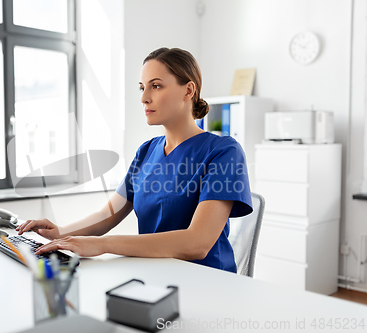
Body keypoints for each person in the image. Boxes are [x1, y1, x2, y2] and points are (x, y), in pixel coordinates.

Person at [16, 47, 253, 273]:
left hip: (208, 283)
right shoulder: (147, 152)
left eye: (156, 86)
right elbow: (107, 214)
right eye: (142, 88)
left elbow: (197, 242)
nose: (144, 98)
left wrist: (102, 244)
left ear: (188, 91)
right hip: (153, 274)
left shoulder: (223, 152)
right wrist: (60, 232)